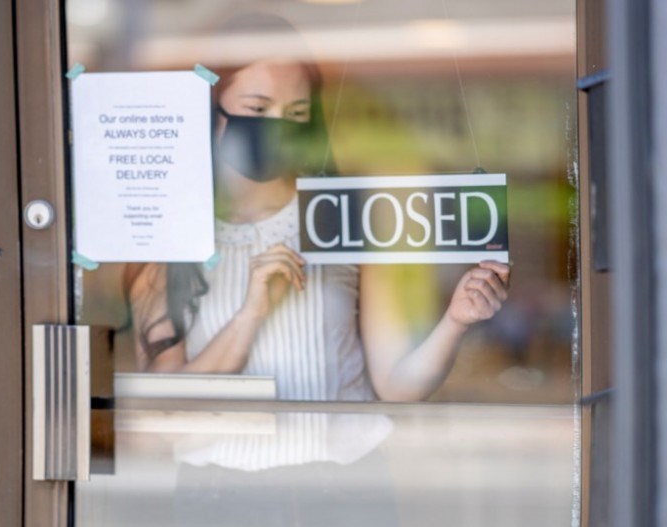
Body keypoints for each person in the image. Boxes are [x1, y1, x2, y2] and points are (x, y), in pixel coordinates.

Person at [123, 12, 509, 473]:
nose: (277, 126)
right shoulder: (169, 238)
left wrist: (454, 321)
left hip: (347, 482)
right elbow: (165, 414)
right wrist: (252, 313)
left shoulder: (341, 219)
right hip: (218, 496)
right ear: (213, 104)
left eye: (297, 113)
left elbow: (397, 386)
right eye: (258, 107)